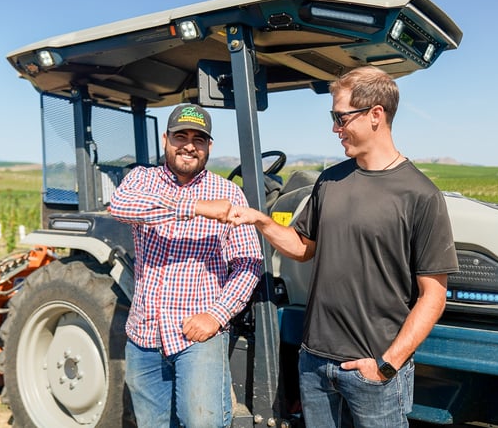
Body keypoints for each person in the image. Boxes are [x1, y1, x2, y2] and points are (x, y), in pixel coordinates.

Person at [229, 66, 459, 427]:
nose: (335, 128)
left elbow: (433, 295)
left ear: (376, 115)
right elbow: (303, 247)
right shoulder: (330, 180)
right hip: (314, 363)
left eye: (340, 117)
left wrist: (386, 366)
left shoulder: (420, 195)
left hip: (374, 371)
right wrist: (263, 221)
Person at [108, 103, 263, 428]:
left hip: (197, 335)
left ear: (209, 146)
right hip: (144, 334)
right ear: (166, 138)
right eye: (181, 136)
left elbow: (250, 263)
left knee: (202, 422)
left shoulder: (229, 192)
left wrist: (216, 315)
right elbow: (120, 206)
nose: (189, 145)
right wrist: (195, 207)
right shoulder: (142, 179)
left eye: (199, 138)